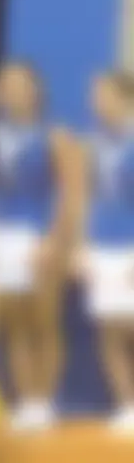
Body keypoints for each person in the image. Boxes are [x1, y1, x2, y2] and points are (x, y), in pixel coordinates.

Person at [0, 61, 77, 432]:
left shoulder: (55, 137)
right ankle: (24, 403)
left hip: (39, 239)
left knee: (44, 323)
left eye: (20, 86)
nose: (13, 92)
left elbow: (69, 194)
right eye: (6, 86)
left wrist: (55, 240)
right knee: (14, 324)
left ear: (35, 93)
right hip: (2, 240)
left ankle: (43, 401)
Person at [84, 71, 134, 435]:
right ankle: (126, 406)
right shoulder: (96, 145)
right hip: (102, 249)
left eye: (103, 95)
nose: (97, 103)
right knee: (108, 331)